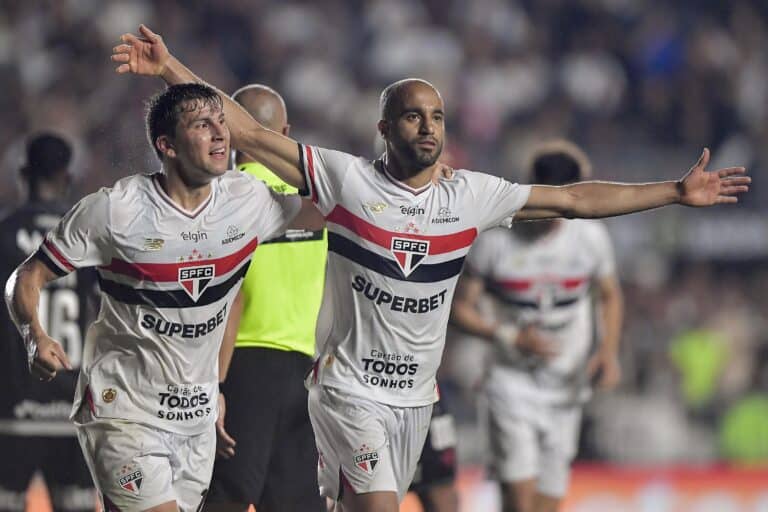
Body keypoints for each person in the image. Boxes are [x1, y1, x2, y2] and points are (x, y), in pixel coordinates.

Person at [111, 25, 749, 512]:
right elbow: (246, 133)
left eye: (438, 116)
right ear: (385, 128)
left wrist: (672, 190)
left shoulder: (469, 195)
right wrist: (169, 66)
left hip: (415, 398)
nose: (428, 126)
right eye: (413, 115)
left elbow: (577, 200)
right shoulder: (346, 180)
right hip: (348, 390)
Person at [4, 83, 323, 512]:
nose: (218, 134)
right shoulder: (115, 210)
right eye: (201, 125)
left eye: (221, 124)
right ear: (166, 145)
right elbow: (27, 275)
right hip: (124, 414)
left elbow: (336, 201)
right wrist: (33, 335)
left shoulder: (247, 202)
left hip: (196, 419)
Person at [451, 140, 624, 512]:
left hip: (566, 387)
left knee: (547, 504)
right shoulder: (495, 241)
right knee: (518, 502)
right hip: (510, 385)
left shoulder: (591, 239)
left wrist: (607, 351)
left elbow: (609, 295)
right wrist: (508, 336)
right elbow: (460, 309)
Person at [206, 84, 326, 512]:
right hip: (301, 368)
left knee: (228, 494)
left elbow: (226, 297)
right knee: (294, 501)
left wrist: (214, 385)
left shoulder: (219, 197)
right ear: (285, 131)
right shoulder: (313, 202)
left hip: (241, 365)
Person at [0, 133, 96, 512]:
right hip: (72, 408)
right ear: (68, 177)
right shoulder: (88, 240)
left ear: (23, 175)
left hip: (10, 407)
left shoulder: (3, 233)